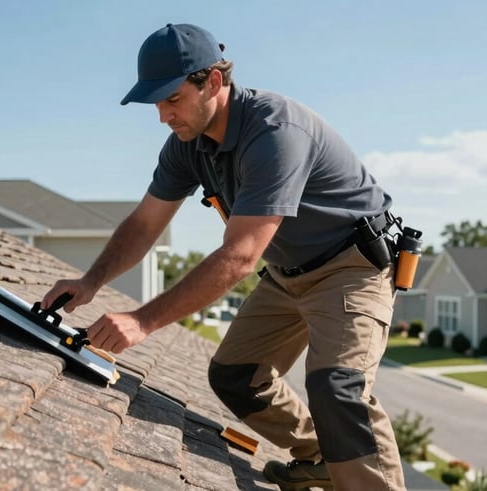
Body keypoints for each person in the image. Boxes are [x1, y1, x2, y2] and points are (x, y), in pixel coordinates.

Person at [41, 23, 407, 491]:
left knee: (339, 390)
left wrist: (142, 320)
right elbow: (144, 223)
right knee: (235, 377)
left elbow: (238, 259)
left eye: (172, 100)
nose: (162, 116)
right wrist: (91, 280)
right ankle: (321, 455)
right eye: (155, 103)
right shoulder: (186, 146)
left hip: (350, 269)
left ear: (212, 82)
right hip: (287, 272)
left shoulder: (275, 132)